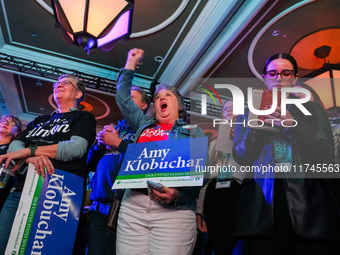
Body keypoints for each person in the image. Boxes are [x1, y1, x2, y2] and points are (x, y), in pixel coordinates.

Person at [233, 53, 340, 254]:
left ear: (295, 78)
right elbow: (242, 156)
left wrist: (291, 126)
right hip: (261, 202)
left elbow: (325, 156)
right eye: (272, 73)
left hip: (308, 203)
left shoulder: (313, 109)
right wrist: (257, 121)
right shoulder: (246, 112)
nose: (278, 78)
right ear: (265, 78)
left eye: (286, 73)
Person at [115, 48, 206, 255]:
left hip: (173, 214)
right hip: (133, 209)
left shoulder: (192, 131)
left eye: (168, 95)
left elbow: (200, 176)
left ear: (179, 105)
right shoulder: (144, 124)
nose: (161, 98)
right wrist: (131, 62)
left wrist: (178, 195)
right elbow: (123, 98)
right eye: (157, 97)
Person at [0, 74, 96, 254]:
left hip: (55, 194)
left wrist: (30, 151)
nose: (59, 85)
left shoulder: (83, 118)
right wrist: (29, 159)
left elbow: (75, 148)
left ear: (78, 94)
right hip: (20, 190)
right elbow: (15, 146)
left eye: (66, 83)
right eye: (57, 83)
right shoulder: (39, 120)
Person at [86, 85, 150, 255]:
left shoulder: (148, 131)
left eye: (132, 98)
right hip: (98, 207)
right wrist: (98, 146)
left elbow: (146, 158)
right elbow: (89, 165)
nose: (126, 101)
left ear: (144, 105)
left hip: (127, 208)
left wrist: (118, 143)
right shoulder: (113, 127)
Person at [195, 100, 244, 255]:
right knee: (219, 245)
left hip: (238, 189)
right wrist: (199, 210)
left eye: (233, 108)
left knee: (236, 243)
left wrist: (241, 138)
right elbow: (206, 176)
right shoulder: (213, 144)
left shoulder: (250, 140)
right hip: (214, 190)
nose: (228, 110)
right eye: (225, 108)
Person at [0, 115, 22, 212]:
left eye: (11, 123)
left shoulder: (15, 151)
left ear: (16, 132)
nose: (5, 123)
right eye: (3, 120)